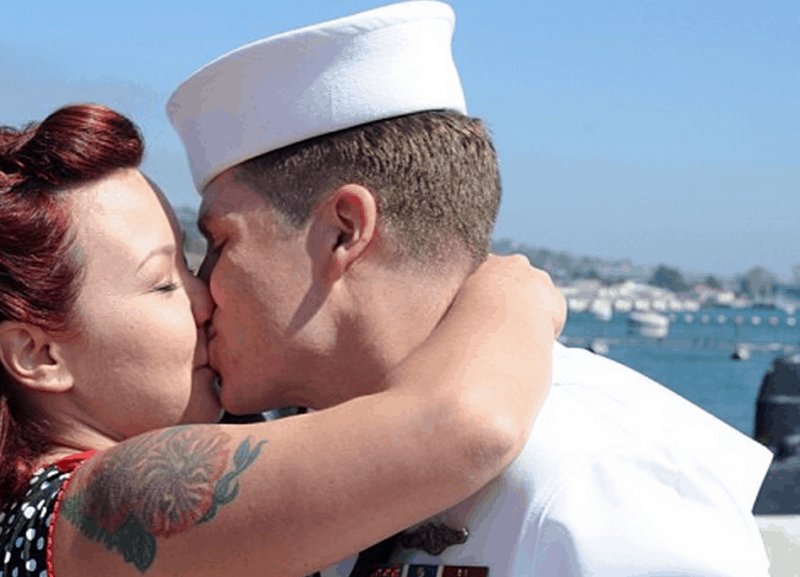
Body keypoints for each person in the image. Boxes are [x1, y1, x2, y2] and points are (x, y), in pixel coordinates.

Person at [165, 2, 774, 576]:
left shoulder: (600, 483)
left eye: (219, 242)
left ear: (343, 232)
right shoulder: (303, 457)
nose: (199, 288)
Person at [0, 102, 565, 577]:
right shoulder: (99, 506)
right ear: (40, 355)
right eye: (163, 283)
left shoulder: (12, 520)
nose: (204, 297)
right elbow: (464, 426)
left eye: (194, 264)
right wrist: (513, 292)